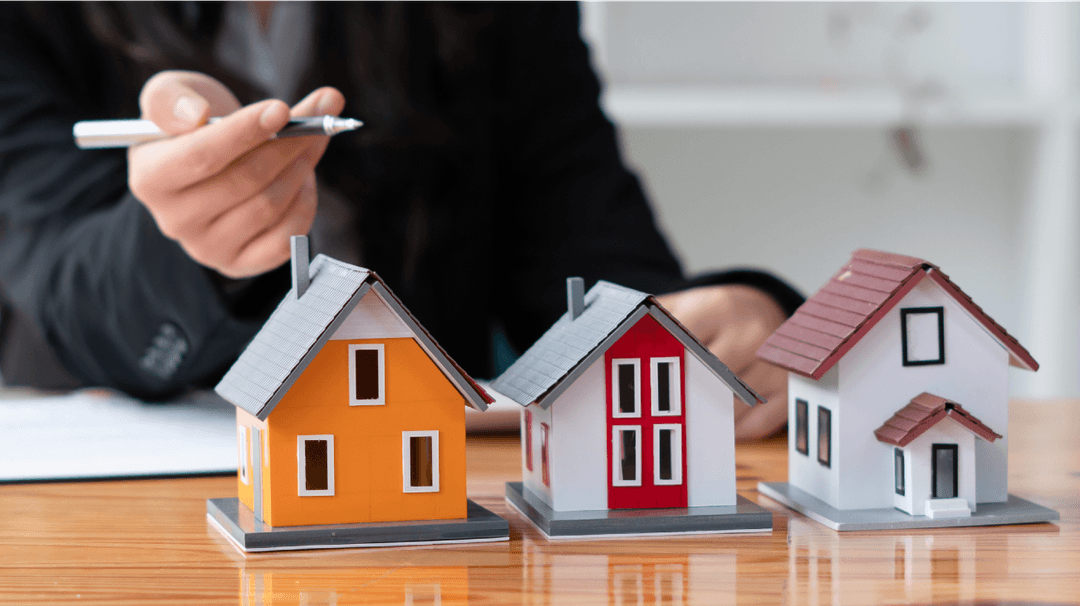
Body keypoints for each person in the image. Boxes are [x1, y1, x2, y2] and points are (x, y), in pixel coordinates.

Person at [0, 2, 801, 439]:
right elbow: (57, 283)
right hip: (105, 510)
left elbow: (599, 268)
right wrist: (192, 240)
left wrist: (736, 311)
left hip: (414, 510)